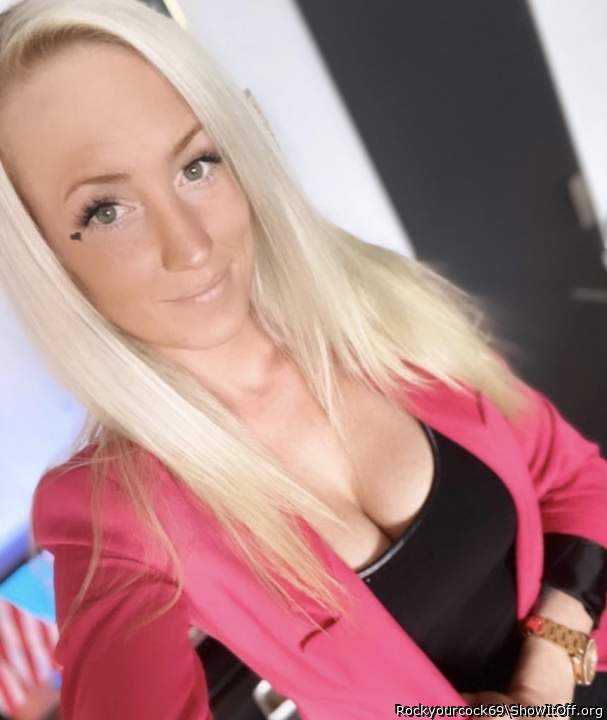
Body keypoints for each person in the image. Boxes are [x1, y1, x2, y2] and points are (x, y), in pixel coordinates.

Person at [0, 0, 604, 718]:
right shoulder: (113, 511)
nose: (191, 245)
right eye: (105, 210)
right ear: (42, 257)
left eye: (196, 165)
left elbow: (573, 476)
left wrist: (547, 670)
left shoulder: (378, 310)